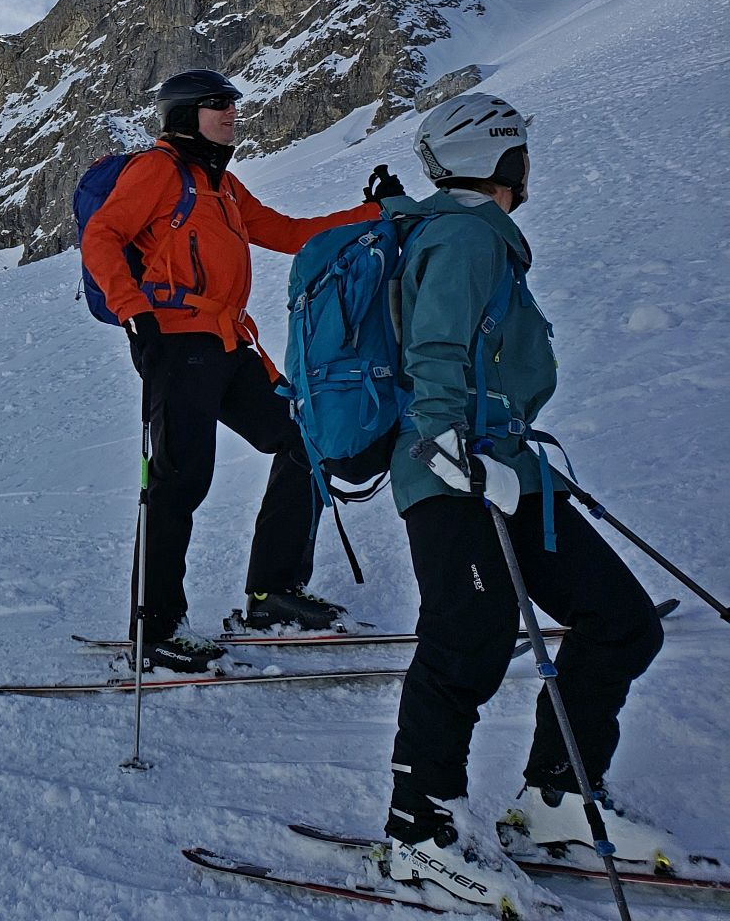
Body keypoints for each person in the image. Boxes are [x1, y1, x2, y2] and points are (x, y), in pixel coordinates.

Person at [380, 94, 668, 904]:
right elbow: (434, 347)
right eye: (522, 152)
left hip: (507, 465)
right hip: (453, 469)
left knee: (621, 622)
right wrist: (448, 446)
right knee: (467, 638)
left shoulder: (484, 237)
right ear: (499, 156)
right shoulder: (466, 233)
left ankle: (555, 796)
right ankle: (416, 830)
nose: (529, 165)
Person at [80, 68, 399, 671]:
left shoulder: (221, 186)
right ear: (182, 116)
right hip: (174, 344)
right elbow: (102, 236)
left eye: (231, 103)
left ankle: (271, 594)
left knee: (305, 438)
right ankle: (158, 628)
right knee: (179, 481)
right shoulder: (157, 170)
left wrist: (371, 212)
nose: (232, 112)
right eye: (217, 104)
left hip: (228, 344)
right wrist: (134, 314)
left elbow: (288, 233)